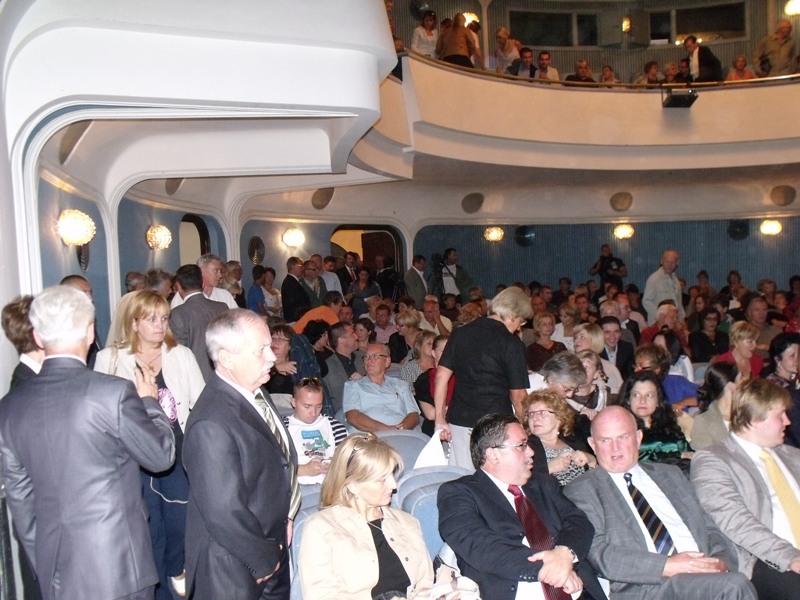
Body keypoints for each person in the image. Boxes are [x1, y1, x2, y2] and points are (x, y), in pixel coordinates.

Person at [0, 285, 176, 600]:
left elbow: (21, 502)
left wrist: (46, 564)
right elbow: (160, 456)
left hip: (56, 571)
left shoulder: (10, 406)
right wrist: (151, 404)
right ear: (90, 332)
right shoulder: (112, 393)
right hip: (119, 565)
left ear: (38, 337)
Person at [563, 406, 757, 600]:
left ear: (638, 438)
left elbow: (710, 528)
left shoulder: (670, 474)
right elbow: (599, 554)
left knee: (757, 577)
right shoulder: (583, 490)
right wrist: (668, 566)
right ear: (592, 444)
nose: (615, 448)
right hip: (647, 589)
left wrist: (720, 561)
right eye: (605, 440)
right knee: (735, 586)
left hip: (707, 576)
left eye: (623, 437)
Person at [94, 289, 204, 599]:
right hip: (134, 456)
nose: (160, 325)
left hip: (177, 451)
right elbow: (100, 413)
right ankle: (158, 592)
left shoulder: (180, 354)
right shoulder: (110, 358)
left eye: (164, 318)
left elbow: (201, 403)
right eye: (151, 319)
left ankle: (175, 570)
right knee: (148, 528)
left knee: (179, 524)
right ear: (133, 322)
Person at [183, 309, 299, 600]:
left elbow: (277, 464)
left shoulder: (255, 391)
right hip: (235, 567)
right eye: (261, 349)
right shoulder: (211, 422)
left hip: (271, 546)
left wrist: (285, 519)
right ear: (227, 358)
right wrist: (265, 560)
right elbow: (224, 512)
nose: (272, 356)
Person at [438, 413, 607, 600]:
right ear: (493, 455)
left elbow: (578, 522)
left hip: (577, 589)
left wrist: (565, 554)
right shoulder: (459, 493)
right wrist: (548, 568)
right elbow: (479, 546)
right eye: (522, 446)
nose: (531, 452)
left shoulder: (543, 484)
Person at [691, 378, 800, 600]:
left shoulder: (794, 456)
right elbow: (736, 522)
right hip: (768, 560)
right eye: (780, 415)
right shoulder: (713, 460)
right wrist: (790, 556)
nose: (787, 422)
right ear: (755, 419)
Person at [299, 434, 433, 598]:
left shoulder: (407, 523)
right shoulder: (320, 528)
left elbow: (425, 587)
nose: (393, 485)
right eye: (382, 479)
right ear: (353, 486)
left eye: (392, 475)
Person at [434, 287, 532, 468]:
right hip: (495, 426)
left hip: (460, 420)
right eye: (521, 320)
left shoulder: (460, 333)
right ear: (512, 315)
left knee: (463, 477)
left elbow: (441, 377)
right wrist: (526, 429)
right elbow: (518, 396)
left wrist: (439, 419)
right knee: (494, 478)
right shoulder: (511, 343)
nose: (519, 327)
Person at [618, 370, 692, 469]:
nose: (642, 401)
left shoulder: (668, 425)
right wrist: (676, 456)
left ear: (658, 401)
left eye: (649, 395)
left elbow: (687, 452)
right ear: (628, 400)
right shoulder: (620, 429)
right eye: (636, 395)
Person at [523, 389, 597, 486]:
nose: (535, 418)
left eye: (542, 413)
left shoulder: (574, 440)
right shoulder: (525, 448)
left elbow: (598, 475)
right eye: (531, 414)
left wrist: (591, 459)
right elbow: (520, 484)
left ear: (559, 418)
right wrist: (548, 469)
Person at [169, 264, 229, 383]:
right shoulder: (222, 307)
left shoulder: (177, 313)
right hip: (225, 375)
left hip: (196, 379)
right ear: (202, 284)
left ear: (179, 287)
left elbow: (178, 354)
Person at [343, 341, 420, 433]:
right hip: (370, 436)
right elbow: (353, 417)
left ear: (387, 362)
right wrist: (388, 430)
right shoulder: (353, 386)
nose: (369, 360)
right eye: (366, 356)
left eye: (375, 356)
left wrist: (399, 430)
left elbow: (414, 415)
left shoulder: (401, 385)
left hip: (403, 434)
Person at [282, 376, 347, 485]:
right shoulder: (282, 427)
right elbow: (271, 466)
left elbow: (350, 460)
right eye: (307, 406)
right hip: (297, 487)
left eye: (318, 406)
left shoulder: (335, 427)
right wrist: (304, 470)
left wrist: (336, 466)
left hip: (331, 486)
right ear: (293, 402)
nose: (313, 413)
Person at [691, 361, 740, 449]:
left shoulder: (747, 413)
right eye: (741, 378)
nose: (746, 381)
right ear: (731, 386)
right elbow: (707, 455)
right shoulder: (703, 421)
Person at [763, 332, 800, 448]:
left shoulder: (785, 380)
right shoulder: (782, 390)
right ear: (778, 360)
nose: (797, 360)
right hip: (788, 447)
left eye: (798, 355)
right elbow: (796, 429)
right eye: (792, 356)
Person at [324, 322, 365, 416]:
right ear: (341, 340)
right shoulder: (328, 367)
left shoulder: (364, 358)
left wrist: (364, 381)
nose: (357, 336)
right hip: (344, 413)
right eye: (353, 333)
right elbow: (335, 400)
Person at [171, 253, 238, 309]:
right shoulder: (183, 295)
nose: (220, 275)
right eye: (216, 271)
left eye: (220, 271)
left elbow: (235, 317)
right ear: (201, 271)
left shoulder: (224, 295)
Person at [643, 250, 684, 323]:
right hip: (658, 323)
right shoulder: (654, 279)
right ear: (661, 261)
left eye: (672, 262)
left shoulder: (676, 280)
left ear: (677, 263)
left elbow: (679, 304)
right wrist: (661, 316)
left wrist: (682, 321)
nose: (670, 265)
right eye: (667, 262)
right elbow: (646, 301)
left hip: (674, 322)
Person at [399, 328, 436, 393]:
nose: (433, 346)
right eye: (429, 343)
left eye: (434, 344)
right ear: (419, 346)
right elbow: (407, 393)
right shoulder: (408, 368)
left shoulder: (440, 365)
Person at [282, 256, 311, 322]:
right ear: (293, 266)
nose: (302, 269)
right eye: (300, 266)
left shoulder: (292, 281)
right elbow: (293, 304)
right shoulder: (289, 282)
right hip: (296, 319)